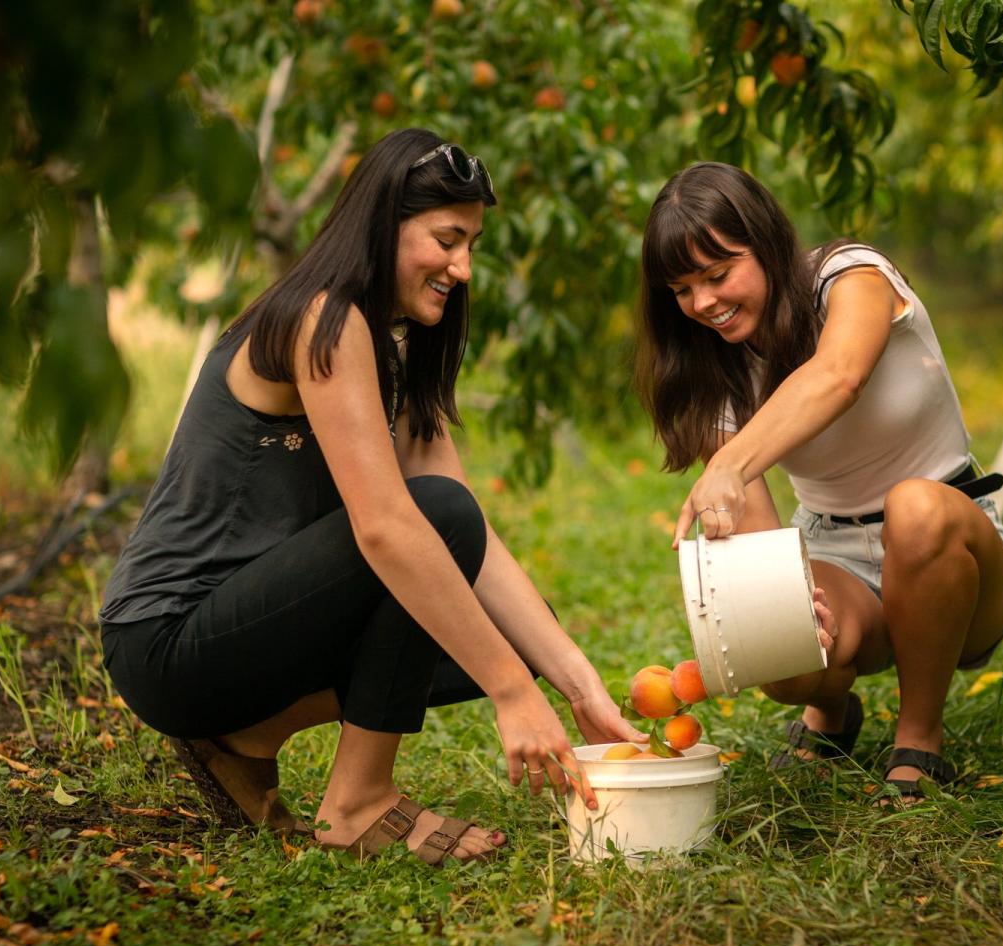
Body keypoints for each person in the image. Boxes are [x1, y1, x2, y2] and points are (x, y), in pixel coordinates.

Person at [98, 128, 643, 865]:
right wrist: (513, 694)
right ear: (385, 223)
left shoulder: (394, 343)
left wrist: (576, 684)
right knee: (432, 539)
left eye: (472, 244)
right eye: (448, 239)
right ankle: (358, 803)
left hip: (244, 635)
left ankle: (250, 735)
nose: (464, 268)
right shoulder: (323, 317)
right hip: (169, 640)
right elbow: (394, 528)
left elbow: (466, 536)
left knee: (501, 623)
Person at [636, 162, 1003, 801]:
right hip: (834, 552)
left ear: (764, 244)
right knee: (776, 649)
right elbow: (757, 537)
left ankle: (920, 737)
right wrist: (778, 610)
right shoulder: (717, 372)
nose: (704, 302)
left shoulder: (850, 276)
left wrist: (730, 464)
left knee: (916, 507)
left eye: (719, 273)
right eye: (683, 289)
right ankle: (831, 712)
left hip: (955, 554)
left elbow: (839, 374)